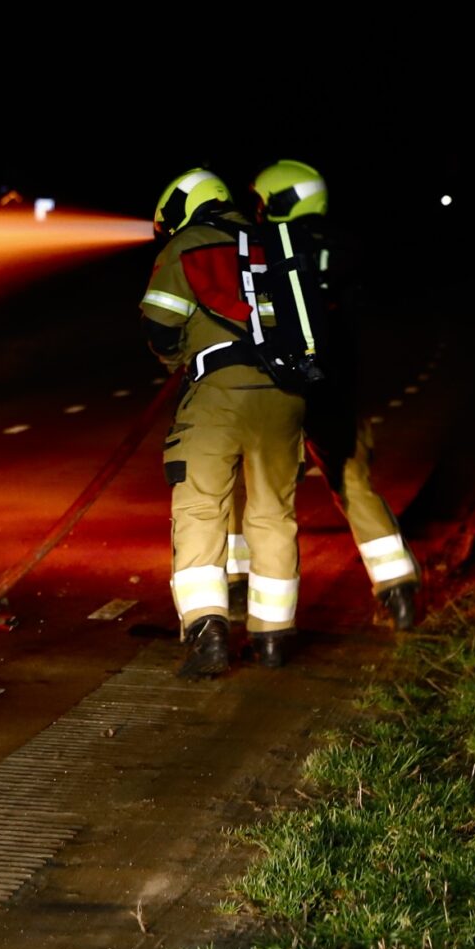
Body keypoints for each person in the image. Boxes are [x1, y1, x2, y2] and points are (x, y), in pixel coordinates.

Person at [142, 168, 308, 677]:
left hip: (217, 393)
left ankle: (208, 631)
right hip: (284, 394)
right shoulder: (273, 242)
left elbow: (160, 323)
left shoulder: (187, 245)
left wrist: (180, 365)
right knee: (273, 514)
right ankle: (273, 637)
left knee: (200, 510)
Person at [252, 159, 421, 629]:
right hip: (338, 390)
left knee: (267, 499)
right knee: (354, 486)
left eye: (264, 201)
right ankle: (399, 590)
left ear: (282, 201)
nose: (260, 211)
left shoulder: (271, 248)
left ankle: (257, 616)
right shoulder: (348, 246)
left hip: (285, 389)